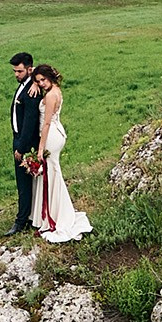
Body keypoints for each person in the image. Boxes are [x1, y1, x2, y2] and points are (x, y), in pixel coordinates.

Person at [28, 62, 92, 244]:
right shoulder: (55, 90)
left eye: (42, 80)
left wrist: (40, 149)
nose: (40, 83)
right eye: (38, 81)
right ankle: (48, 214)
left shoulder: (50, 97)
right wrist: (34, 82)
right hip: (57, 132)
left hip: (50, 136)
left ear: (49, 77)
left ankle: (55, 216)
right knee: (51, 174)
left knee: (51, 175)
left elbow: (46, 124)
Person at [9, 51, 44, 235]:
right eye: (14, 71)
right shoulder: (28, 84)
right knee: (24, 182)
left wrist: (21, 148)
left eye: (20, 71)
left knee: (23, 183)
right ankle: (29, 216)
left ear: (29, 69)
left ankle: (21, 221)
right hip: (19, 138)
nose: (16, 74)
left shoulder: (32, 90)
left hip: (24, 142)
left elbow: (30, 121)